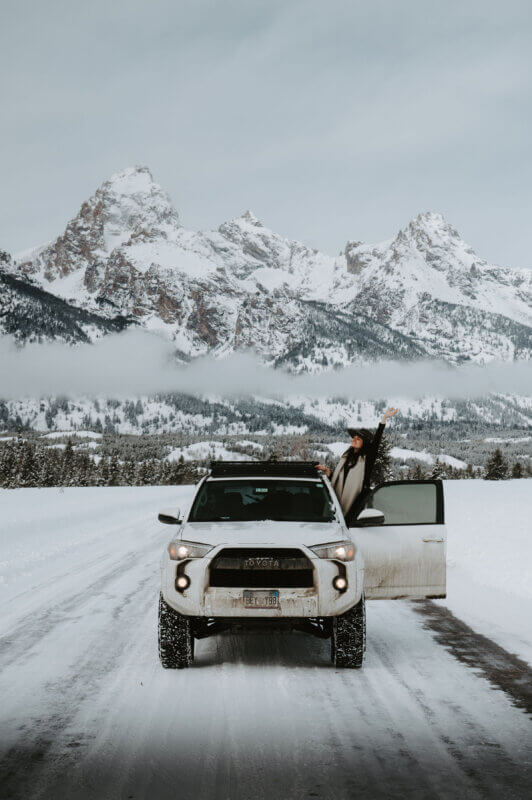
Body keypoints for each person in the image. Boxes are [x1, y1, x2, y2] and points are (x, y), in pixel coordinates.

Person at [316, 407, 398, 525]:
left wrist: (384, 419)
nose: (354, 439)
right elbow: (341, 480)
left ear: (364, 443)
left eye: (358, 438)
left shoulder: (366, 459)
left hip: (356, 505)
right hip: (337, 502)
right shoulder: (346, 458)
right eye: (354, 437)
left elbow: (376, 443)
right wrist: (329, 473)